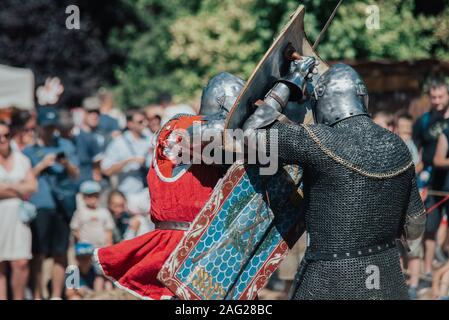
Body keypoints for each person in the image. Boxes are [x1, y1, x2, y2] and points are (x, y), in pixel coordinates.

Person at [243, 59, 426, 299]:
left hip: (330, 279)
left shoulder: (320, 141)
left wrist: (291, 81)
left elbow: (249, 135)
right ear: (362, 97)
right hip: (387, 277)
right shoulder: (396, 145)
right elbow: (414, 225)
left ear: (322, 101)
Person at [95, 72, 244, 299]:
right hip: (180, 242)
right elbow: (214, 132)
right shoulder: (180, 126)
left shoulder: (214, 144)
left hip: (206, 243)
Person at [23, 107, 80, 300]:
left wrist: (66, 164)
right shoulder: (30, 151)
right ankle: (38, 294)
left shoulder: (65, 145)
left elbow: (76, 175)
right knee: (39, 253)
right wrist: (41, 165)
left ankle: (57, 295)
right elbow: (24, 178)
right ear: (39, 127)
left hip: (62, 205)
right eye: (46, 127)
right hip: (40, 205)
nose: (50, 131)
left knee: (61, 252)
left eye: (52, 127)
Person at [414, 80, 449, 281]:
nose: (436, 101)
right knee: (429, 227)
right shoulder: (424, 121)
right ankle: (427, 271)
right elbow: (416, 154)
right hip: (431, 182)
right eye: (433, 97)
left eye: (440, 97)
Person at [0, 121, 37, 300]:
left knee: (21, 262)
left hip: (18, 216)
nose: (2, 140)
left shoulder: (21, 159)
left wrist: (7, 187)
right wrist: (19, 187)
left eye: (6, 135)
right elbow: (25, 187)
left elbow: (32, 186)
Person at [101, 109, 152, 211]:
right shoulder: (119, 143)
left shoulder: (149, 138)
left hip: (148, 193)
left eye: (145, 120)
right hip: (129, 194)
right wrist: (129, 161)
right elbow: (106, 170)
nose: (145, 124)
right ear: (130, 124)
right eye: (140, 122)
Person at [70, 181, 115, 249]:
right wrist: (81, 242)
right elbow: (75, 228)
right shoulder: (79, 212)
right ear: (83, 197)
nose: (92, 198)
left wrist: (109, 244)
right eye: (89, 196)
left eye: (95, 195)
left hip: (102, 247)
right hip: (85, 248)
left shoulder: (104, 212)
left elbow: (109, 230)